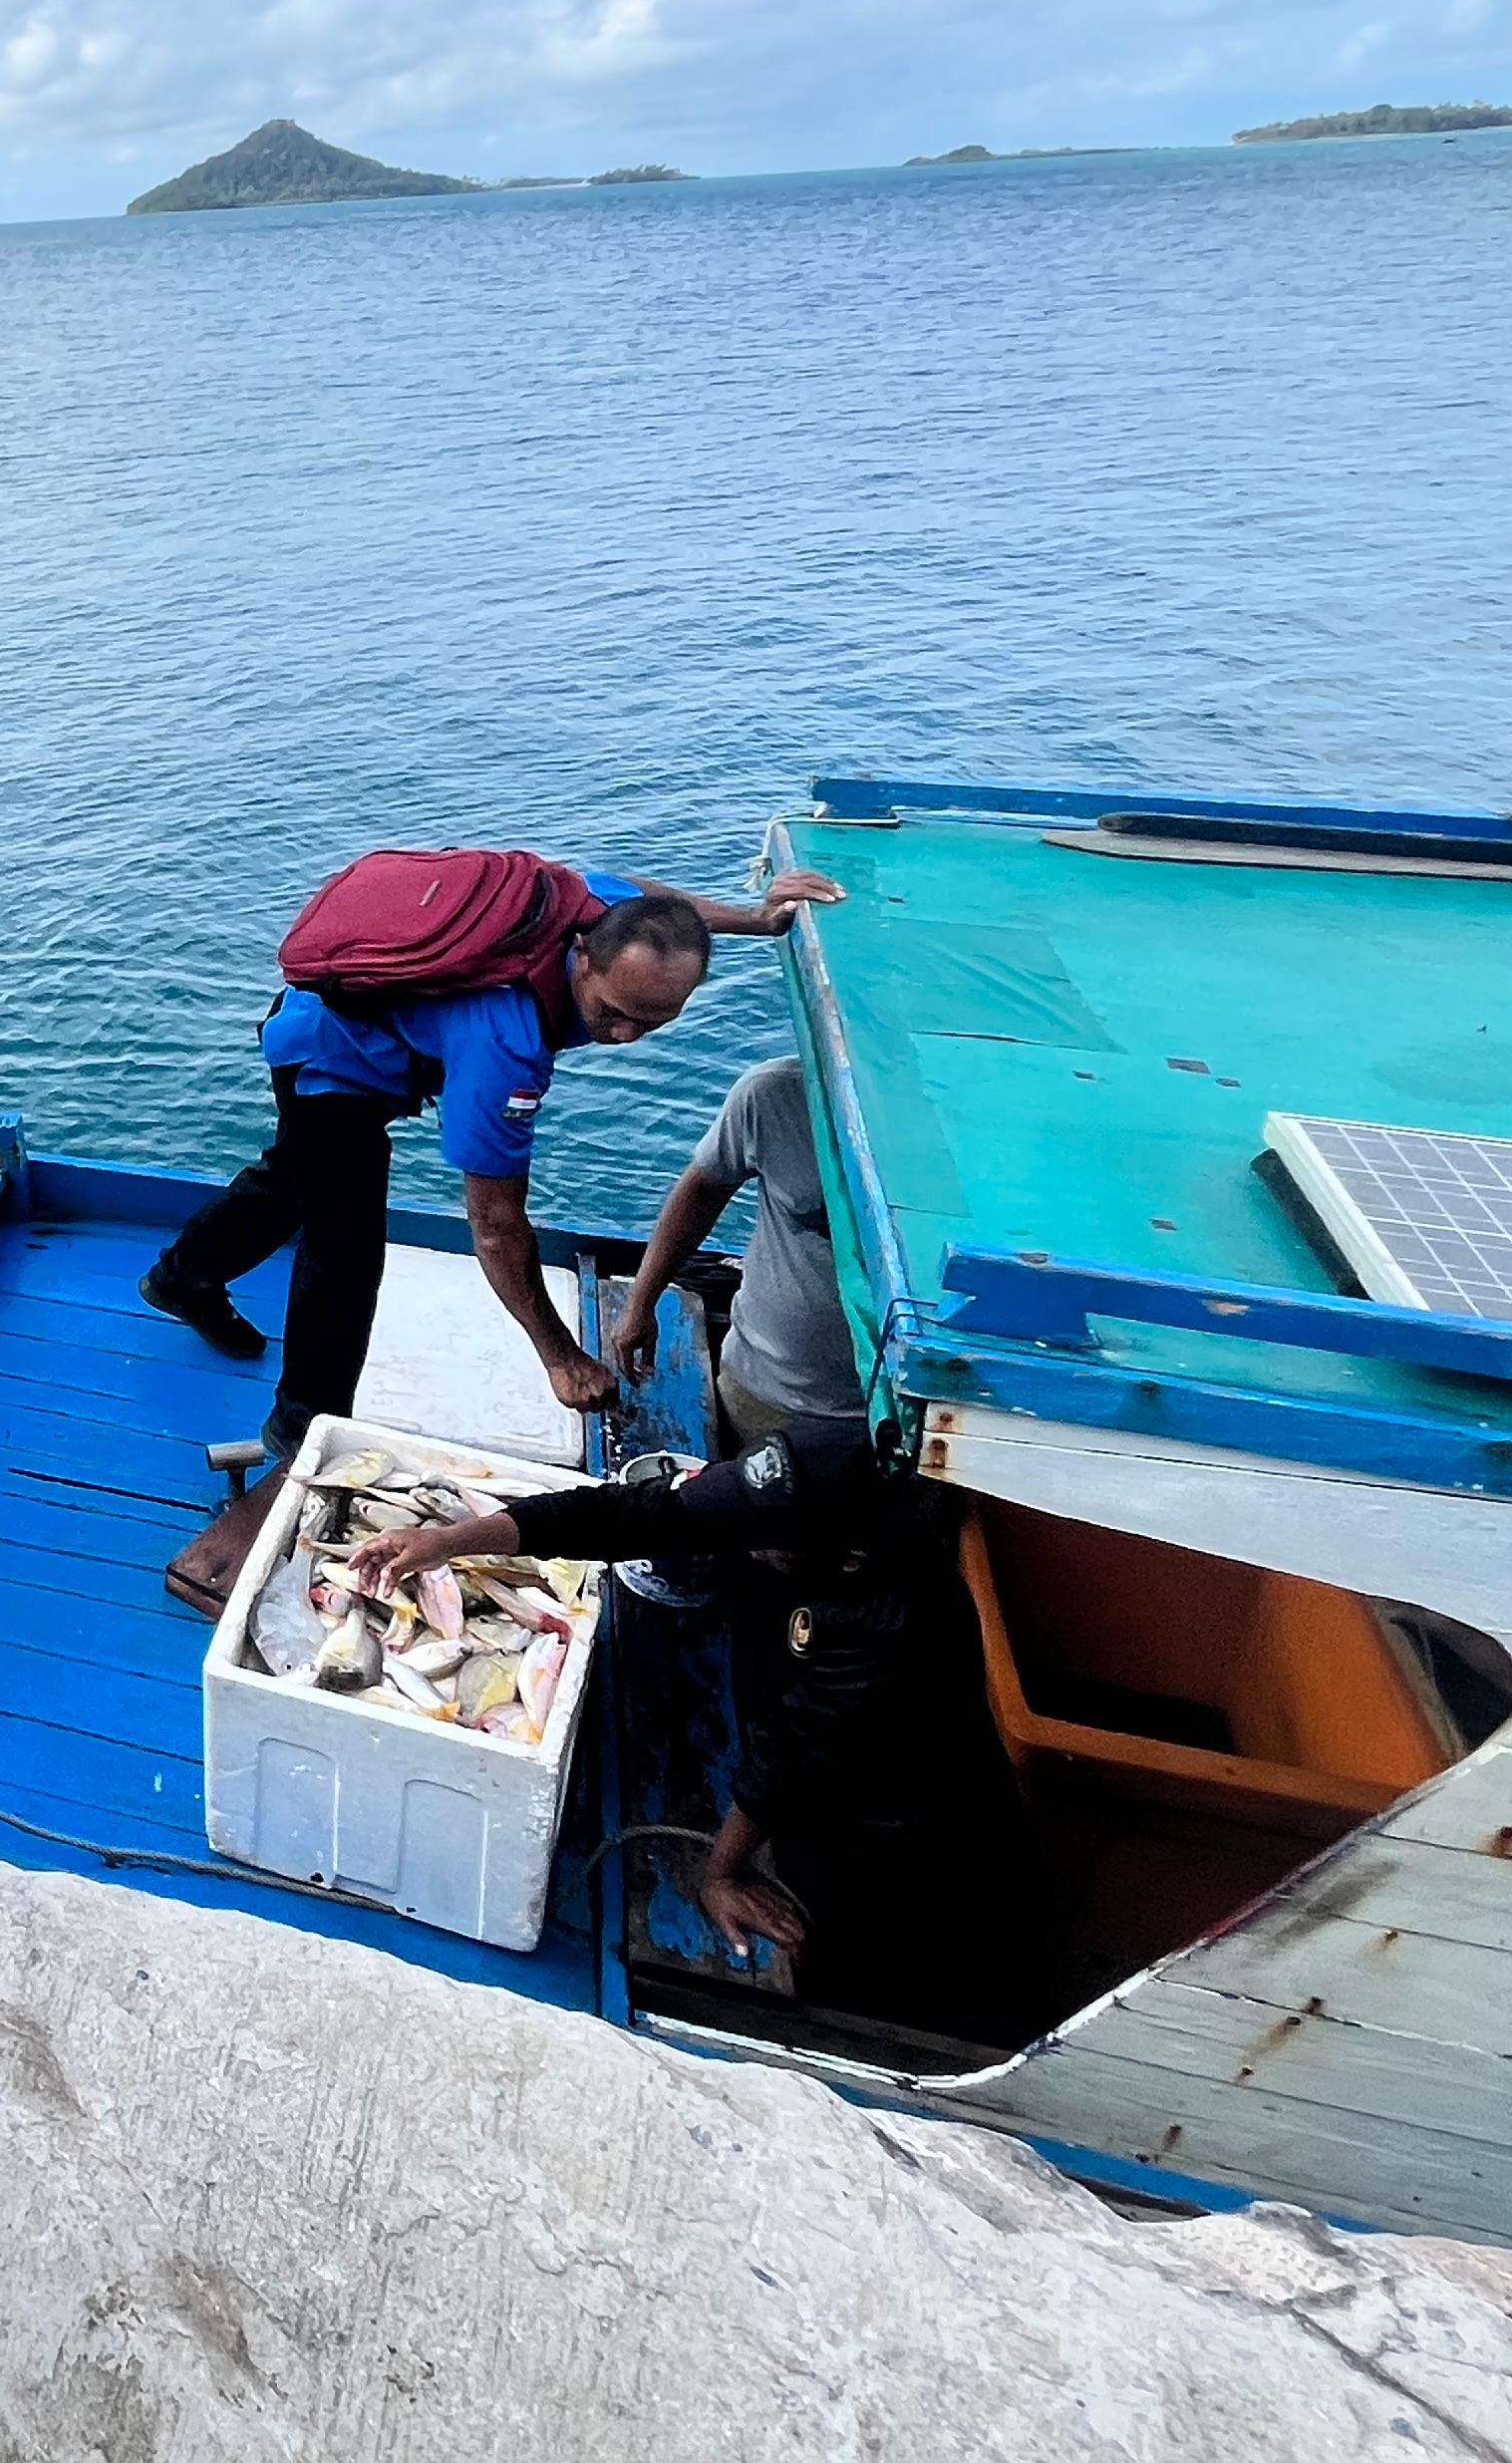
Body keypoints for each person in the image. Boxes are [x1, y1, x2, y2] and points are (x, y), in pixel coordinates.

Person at [147, 857, 841, 1611]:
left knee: (296, 1176)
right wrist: (562, 1358)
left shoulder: (601, 908)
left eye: (651, 1023)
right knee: (344, 1253)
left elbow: (657, 906)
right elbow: (497, 1225)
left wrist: (754, 917)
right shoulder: (505, 1046)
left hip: (361, 1025)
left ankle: (181, 1277)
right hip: (331, 1057)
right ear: (581, 955)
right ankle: (299, 1432)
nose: (621, 1036)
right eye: (609, 1011)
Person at [344, 1416, 1035, 2043]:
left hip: (906, 1823)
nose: (750, 1546)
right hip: (812, 1719)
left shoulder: (885, 1623)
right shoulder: (793, 1484)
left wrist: (722, 1872)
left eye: (772, 1546)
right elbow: (622, 1512)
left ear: (840, 1555)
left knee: (887, 1965)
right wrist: (446, 1542)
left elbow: (789, 1757)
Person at [604, 1054, 865, 1449]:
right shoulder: (773, 1093)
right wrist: (641, 1303)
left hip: (895, 1412)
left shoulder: (964, 1126)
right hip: (762, 1388)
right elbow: (702, 1191)